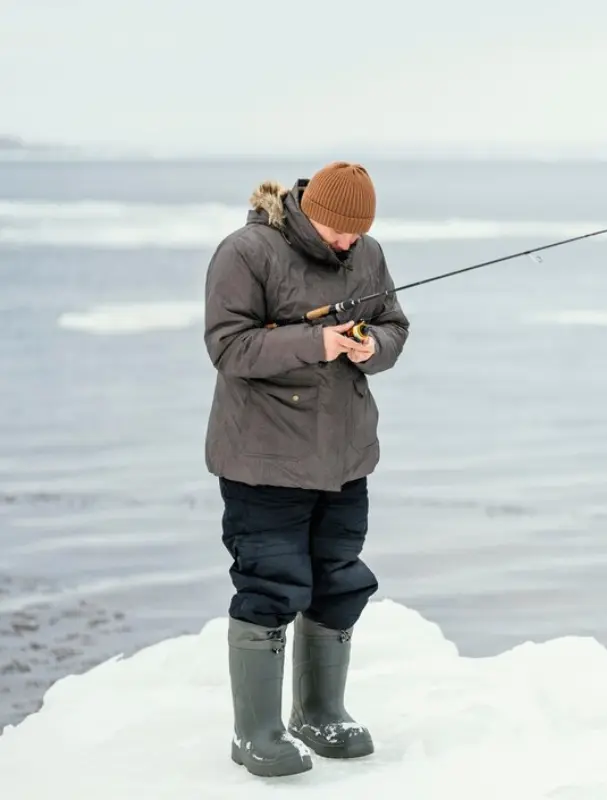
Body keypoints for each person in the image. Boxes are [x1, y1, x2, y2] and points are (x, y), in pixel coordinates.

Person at [201, 161, 410, 777]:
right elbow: (228, 346)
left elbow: (396, 324)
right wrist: (316, 343)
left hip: (344, 457)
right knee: (271, 584)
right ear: (307, 210)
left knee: (339, 579)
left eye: (358, 233)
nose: (350, 243)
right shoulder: (246, 252)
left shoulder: (367, 253)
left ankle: (320, 712)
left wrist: (374, 348)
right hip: (263, 458)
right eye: (340, 231)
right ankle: (255, 732)